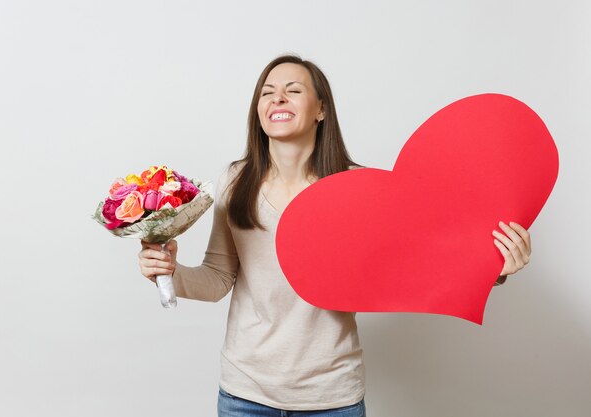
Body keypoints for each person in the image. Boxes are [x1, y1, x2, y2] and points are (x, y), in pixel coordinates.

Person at [138, 54, 531, 416]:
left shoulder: (357, 187)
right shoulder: (234, 181)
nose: (278, 99)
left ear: (321, 109)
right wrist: (170, 271)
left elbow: (419, 265)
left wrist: (495, 268)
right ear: (258, 111)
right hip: (245, 393)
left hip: (333, 398)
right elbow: (219, 278)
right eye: (267, 93)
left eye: (293, 91)